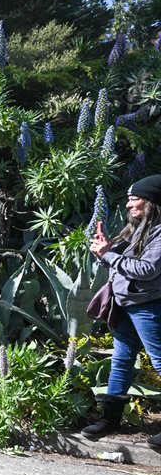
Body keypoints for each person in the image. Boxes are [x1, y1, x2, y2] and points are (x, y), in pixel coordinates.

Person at [83, 174, 161, 447]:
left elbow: (147, 270)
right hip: (127, 304)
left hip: (149, 307)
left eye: (134, 199)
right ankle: (110, 419)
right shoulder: (140, 228)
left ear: (152, 201)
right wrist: (104, 252)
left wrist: (109, 254)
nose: (128, 205)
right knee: (121, 360)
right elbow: (120, 263)